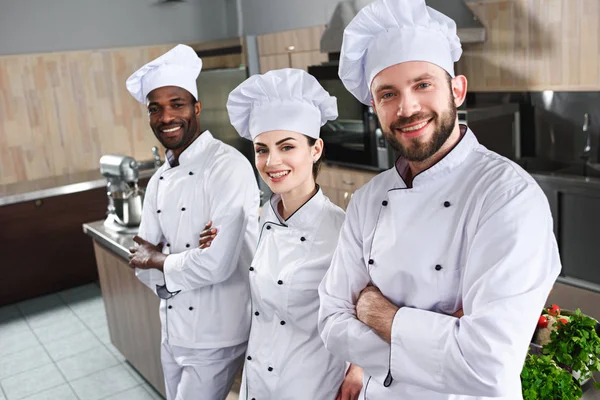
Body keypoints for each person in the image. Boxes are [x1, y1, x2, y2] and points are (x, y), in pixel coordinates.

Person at [317, 0, 561, 398]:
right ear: (375, 108)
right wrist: (444, 336)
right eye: (388, 94)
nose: (407, 107)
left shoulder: (507, 196)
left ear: (457, 90)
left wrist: (377, 313)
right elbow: (331, 324)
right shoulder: (367, 200)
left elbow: (488, 364)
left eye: (423, 84)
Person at [200, 68, 363, 399]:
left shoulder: (342, 230)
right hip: (257, 378)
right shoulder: (259, 218)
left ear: (315, 149)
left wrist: (358, 370)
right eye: (262, 149)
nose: (271, 161)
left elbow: (363, 312)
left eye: (286, 147)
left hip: (311, 384)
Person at [126, 44, 259, 400]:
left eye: (177, 104)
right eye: (156, 109)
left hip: (218, 330)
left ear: (196, 108)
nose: (166, 117)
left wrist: (161, 259)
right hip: (171, 328)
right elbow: (140, 262)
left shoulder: (227, 166)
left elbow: (216, 265)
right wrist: (170, 267)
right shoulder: (158, 180)